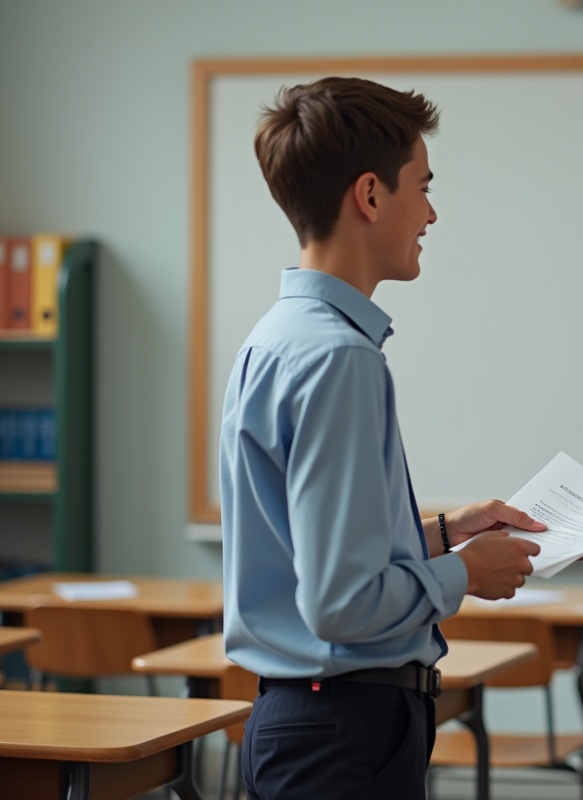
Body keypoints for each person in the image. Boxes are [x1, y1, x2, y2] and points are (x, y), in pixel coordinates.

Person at [219, 77, 545, 800]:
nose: (430, 213)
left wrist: (442, 534)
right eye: (422, 188)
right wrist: (467, 572)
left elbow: (315, 559)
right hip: (345, 732)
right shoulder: (341, 357)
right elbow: (341, 604)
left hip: (304, 720)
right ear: (370, 195)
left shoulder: (276, 336)